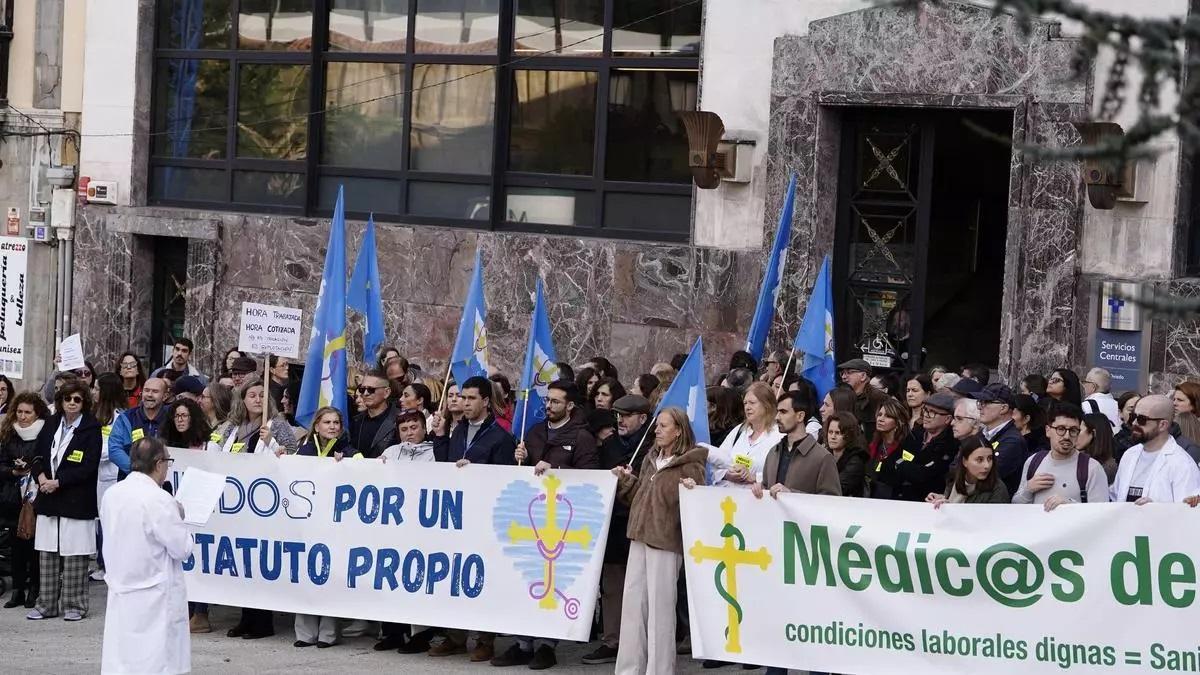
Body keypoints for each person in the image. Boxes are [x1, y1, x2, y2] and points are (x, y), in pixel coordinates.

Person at [495, 381, 599, 669]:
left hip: (560, 521)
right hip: (531, 515)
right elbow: (523, 470)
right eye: (548, 400)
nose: (549, 406)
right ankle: (522, 643)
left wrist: (558, 471)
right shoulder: (535, 431)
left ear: (569, 406)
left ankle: (546, 644)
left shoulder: (581, 437)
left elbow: (591, 476)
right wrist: (522, 459)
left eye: (555, 402)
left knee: (552, 583)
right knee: (525, 578)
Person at [611, 407, 706, 675]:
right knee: (632, 606)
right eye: (657, 426)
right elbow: (639, 498)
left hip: (666, 541)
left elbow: (695, 505)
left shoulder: (691, 463)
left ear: (679, 430)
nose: (657, 430)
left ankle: (659, 670)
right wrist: (626, 483)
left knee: (660, 611)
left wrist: (692, 490)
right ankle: (629, 669)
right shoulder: (651, 458)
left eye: (664, 426)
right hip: (639, 536)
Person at [427, 376, 516, 661]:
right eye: (462, 397)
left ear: (486, 401)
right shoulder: (458, 431)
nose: (464, 403)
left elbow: (503, 480)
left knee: (481, 578)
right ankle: (455, 636)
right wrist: (440, 438)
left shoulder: (500, 437)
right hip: (457, 517)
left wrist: (477, 470)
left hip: (484, 520)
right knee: (455, 576)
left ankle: (484, 639)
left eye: (471, 398)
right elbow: (444, 468)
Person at [98, 437, 191, 674]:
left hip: (122, 587)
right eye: (168, 462)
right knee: (157, 661)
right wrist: (179, 517)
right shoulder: (159, 499)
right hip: (155, 594)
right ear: (159, 463)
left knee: (122, 659)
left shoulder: (112, 494)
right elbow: (181, 548)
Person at [583, 394, 651, 666]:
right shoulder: (610, 442)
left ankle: (638, 641)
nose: (620, 421)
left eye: (627, 416)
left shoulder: (649, 446)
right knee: (612, 586)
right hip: (612, 521)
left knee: (638, 587)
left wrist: (610, 443)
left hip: (637, 522)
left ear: (643, 418)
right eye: (618, 415)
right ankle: (612, 640)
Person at [28, 380, 102, 621]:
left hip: (76, 499)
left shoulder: (91, 428)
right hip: (48, 496)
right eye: (67, 398)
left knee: (76, 555)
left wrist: (58, 482)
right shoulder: (51, 423)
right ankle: (46, 605)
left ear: (84, 402)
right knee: (47, 554)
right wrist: (40, 478)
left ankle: (75, 605)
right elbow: (36, 455)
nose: (71, 403)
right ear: (60, 401)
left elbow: (89, 466)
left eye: (77, 399)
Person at [292, 407, 349, 649]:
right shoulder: (304, 448)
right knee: (306, 576)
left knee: (328, 576)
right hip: (307, 524)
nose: (332, 426)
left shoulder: (348, 449)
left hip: (334, 525)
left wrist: (346, 464)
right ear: (316, 426)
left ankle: (327, 634)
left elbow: (365, 470)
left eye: (336, 422)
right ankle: (304, 634)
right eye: (327, 422)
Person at [0, 393, 49, 609]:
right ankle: (18, 590)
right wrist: (13, 471)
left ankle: (34, 589)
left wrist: (32, 469)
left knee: (35, 547)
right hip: (12, 497)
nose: (22, 416)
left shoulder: (45, 432)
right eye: (19, 411)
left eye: (27, 412)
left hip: (36, 495)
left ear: (36, 413)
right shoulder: (8, 433)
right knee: (16, 545)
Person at [746, 390, 840, 498]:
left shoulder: (823, 457)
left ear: (800, 416)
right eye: (777, 412)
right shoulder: (773, 452)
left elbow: (832, 501)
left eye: (783, 412)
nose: (777, 417)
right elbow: (767, 487)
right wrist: (760, 490)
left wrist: (792, 495)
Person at [1013, 404, 1109, 509]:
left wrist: (1069, 506)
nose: (1067, 436)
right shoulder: (1034, 461)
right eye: (1061, 429)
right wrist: (1028, 489)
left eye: (1073, 430)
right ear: (1048, 430)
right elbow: (1016, 507)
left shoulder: (1091, 468)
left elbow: (1100, 513)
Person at [1111, 394, 1200, 503]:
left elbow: (1187, 513)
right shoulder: (1129, 455)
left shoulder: (1183, 464)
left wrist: (1156, 509)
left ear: (1162, 425)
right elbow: (1116, 497)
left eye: (1141, 419)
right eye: (1133, 416)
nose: (1134, 423)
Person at [875, 392, 957, 501]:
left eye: (933, 412)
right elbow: (887, 464)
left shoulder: (951, 443)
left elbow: (924, 475)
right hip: (898, 497)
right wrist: (908, 468)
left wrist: (900, 464)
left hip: (926, 502)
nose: (926, 415)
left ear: (947, 419)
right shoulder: (916, 434)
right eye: (926, 410)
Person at [709, 382, 784, 489]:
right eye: (745, 403)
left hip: (758, 501)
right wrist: (727, 475)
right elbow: (715, 466)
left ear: (766, 404)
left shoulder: (779, 436)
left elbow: (783, 476)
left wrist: (754, 477)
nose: (747, 407)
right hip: (728, 500)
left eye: (752, 403)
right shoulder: (739, 431)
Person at [213, 378, 297, 458]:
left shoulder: (278, 425)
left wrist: (272, 443)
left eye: (262, 396)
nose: (258, 400)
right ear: (243, 400)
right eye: (252, 396)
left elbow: (292, 454)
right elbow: (218, 449)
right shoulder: (234, 425)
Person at [970, 383, 1028, 496]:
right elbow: (955, 465)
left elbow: (988, 474)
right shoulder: (980, 434)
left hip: (997, 506)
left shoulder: (1013, 441)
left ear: (1004, 408)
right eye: (980, 402)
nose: (980, 407)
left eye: (986, 402)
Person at [106, 378, 170, 477]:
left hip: (163, 480)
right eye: (146, 390)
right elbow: (114, 449)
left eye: (155, 391)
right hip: (130, 479)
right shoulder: (127, 417)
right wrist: (137, 470)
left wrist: (158, 472)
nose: (149, 394)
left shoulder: (171, 418)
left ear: (165, 396)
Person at [926, 436, 1010, 506]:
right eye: (979, 460)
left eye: (990, 459)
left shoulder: (998, 489)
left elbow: (991, 522)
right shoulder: (953, 479)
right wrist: (940, 500)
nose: (987, 465)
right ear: (964, 461)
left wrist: (952, 510)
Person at [350, 371, 398, 459]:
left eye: (371, 389)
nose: (365, 393)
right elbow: (348, 447)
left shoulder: (399, 420)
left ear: (386, 392)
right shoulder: (356, 421)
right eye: (362, 389)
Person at [837, 358, 889, 440]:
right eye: (842, 373)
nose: (843, 377)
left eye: (849, 373)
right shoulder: (841, 397)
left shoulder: (879, 399)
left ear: (863, 376)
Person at [825, 412, 869, 498]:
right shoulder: (825, 455)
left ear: (849, 435)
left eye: (838, 433)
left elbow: (837, 489)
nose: (833, 437)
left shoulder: (856, 461)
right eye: (830, 432)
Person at [1114, 392, 1141, 459]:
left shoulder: (1151, 436)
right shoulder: (1117, 441)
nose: (1136, 414)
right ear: (1120, 413)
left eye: (1140, 409)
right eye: (1131, 409)